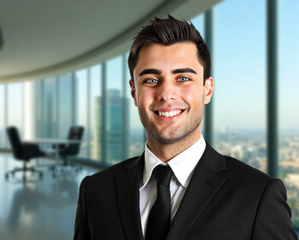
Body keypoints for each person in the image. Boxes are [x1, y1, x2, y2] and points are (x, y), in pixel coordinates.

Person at [74, 15, 297, 240]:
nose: (166, 94)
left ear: (207, 89)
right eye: (151, 80)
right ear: (134, 92)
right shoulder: (95, 191)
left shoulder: (257, 194)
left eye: (182, 78)